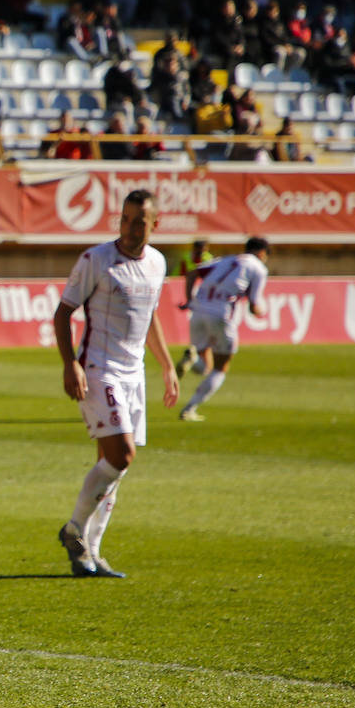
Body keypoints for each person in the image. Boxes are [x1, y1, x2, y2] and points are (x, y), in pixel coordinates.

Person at [51, 189, 179, 579]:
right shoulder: (96, 259)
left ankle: (89, 553)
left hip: (132, 373)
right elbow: (62, 314)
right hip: (98, 368)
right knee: (122, 455)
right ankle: (73, 529)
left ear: (155, 224)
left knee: (114, 469)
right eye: (124, 219)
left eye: (139, 221)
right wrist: (69, 363)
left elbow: (150, 317)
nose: (129, 227)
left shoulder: (157, 263)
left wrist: (167, 366)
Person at [175, 237, 270, 421]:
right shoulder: (258, 268)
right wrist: (262, 312)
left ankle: (192, 359)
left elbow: (192, 273)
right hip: (221, 315)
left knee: (204, 366)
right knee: (220, 367)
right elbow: (254, 305)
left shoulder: (225, 259)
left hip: (198, 312)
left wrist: (189, 300)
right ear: (262, 253)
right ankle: (189, 408)